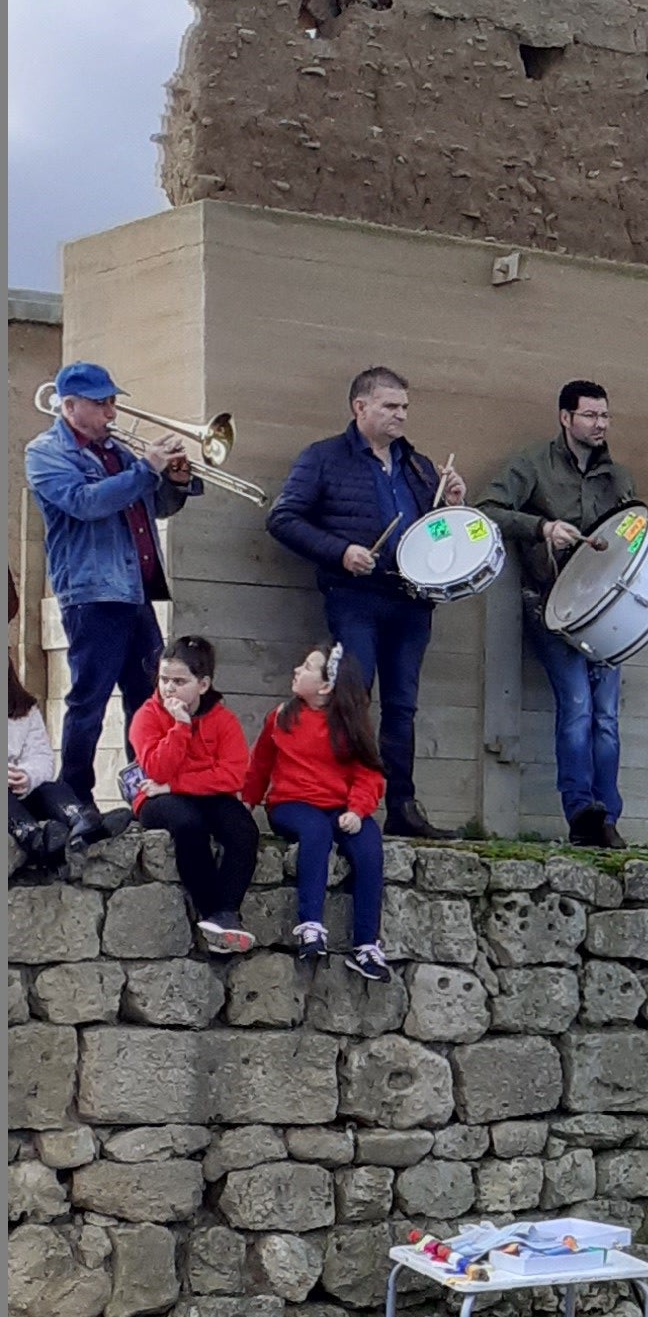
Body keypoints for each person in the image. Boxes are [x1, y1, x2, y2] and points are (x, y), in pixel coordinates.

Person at [266, 366, 466, 838]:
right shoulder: (323, 458)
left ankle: (402, 807)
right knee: (354, 699)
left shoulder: (417, 465)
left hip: (411, 600)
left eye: (404, 408)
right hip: (354, 595)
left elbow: (431, 536)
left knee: (403, 705)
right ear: (361, 408)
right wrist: (340, 551)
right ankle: (343, 804)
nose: (401, 416)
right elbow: (282, 518)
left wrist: (451, 504)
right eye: (390, 407)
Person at [23, 359, 196, 822]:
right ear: (70, 405)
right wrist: (146, 469)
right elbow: (85, 503)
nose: (111, 413)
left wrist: (175, 481)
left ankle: (146, 790)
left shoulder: (118, 451)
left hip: (134, 590)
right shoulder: (45, 452)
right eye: (101, 404)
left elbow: (152, 505)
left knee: (149, 698)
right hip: (92, 593)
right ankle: (75, 795)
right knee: (90, 698)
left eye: (113, 402)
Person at [483, 379, 645, 845]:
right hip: (551, 606)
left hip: (608, 608)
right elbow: (487, 510)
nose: (600, 425)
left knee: (606, 717)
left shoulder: (620, 477)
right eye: (591, 416)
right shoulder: (532, 464)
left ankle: (608, 817)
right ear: (565, 418)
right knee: (576, 707)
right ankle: (582, 815)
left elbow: (633, 531)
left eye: (605, 416)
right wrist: (541, 527)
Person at [245, 645, 393, 979]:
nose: (297, 670)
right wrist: (246, 802)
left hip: (341, 809)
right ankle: (310, 925)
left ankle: (366, 945)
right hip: (291, 805)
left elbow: (368, 774)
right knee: (316, 832)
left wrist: (357, 810)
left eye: (308, 666)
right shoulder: (281, 716)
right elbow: (260, 766)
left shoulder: (352, 725)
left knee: (369, 847)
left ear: (326, 687)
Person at [125, 635, 260, 955]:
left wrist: (178, 784)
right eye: (164, 680)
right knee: (188, 825)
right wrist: (181, 728)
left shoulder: (223, 720)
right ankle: (212, 912)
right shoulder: (146, 716)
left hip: (190, 790)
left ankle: (228, 911)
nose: (169, 688)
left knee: (244, 830)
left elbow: (233, 775)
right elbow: (156, 769)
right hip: (155, 796)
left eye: (179, 681)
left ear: (203, 684)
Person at [9, 577, 98, 881]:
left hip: (24, 790)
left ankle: (81, 819)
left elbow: (42, 758)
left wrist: (27, 776)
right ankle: (38, 840)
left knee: (52, 787)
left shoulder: (23, 708)